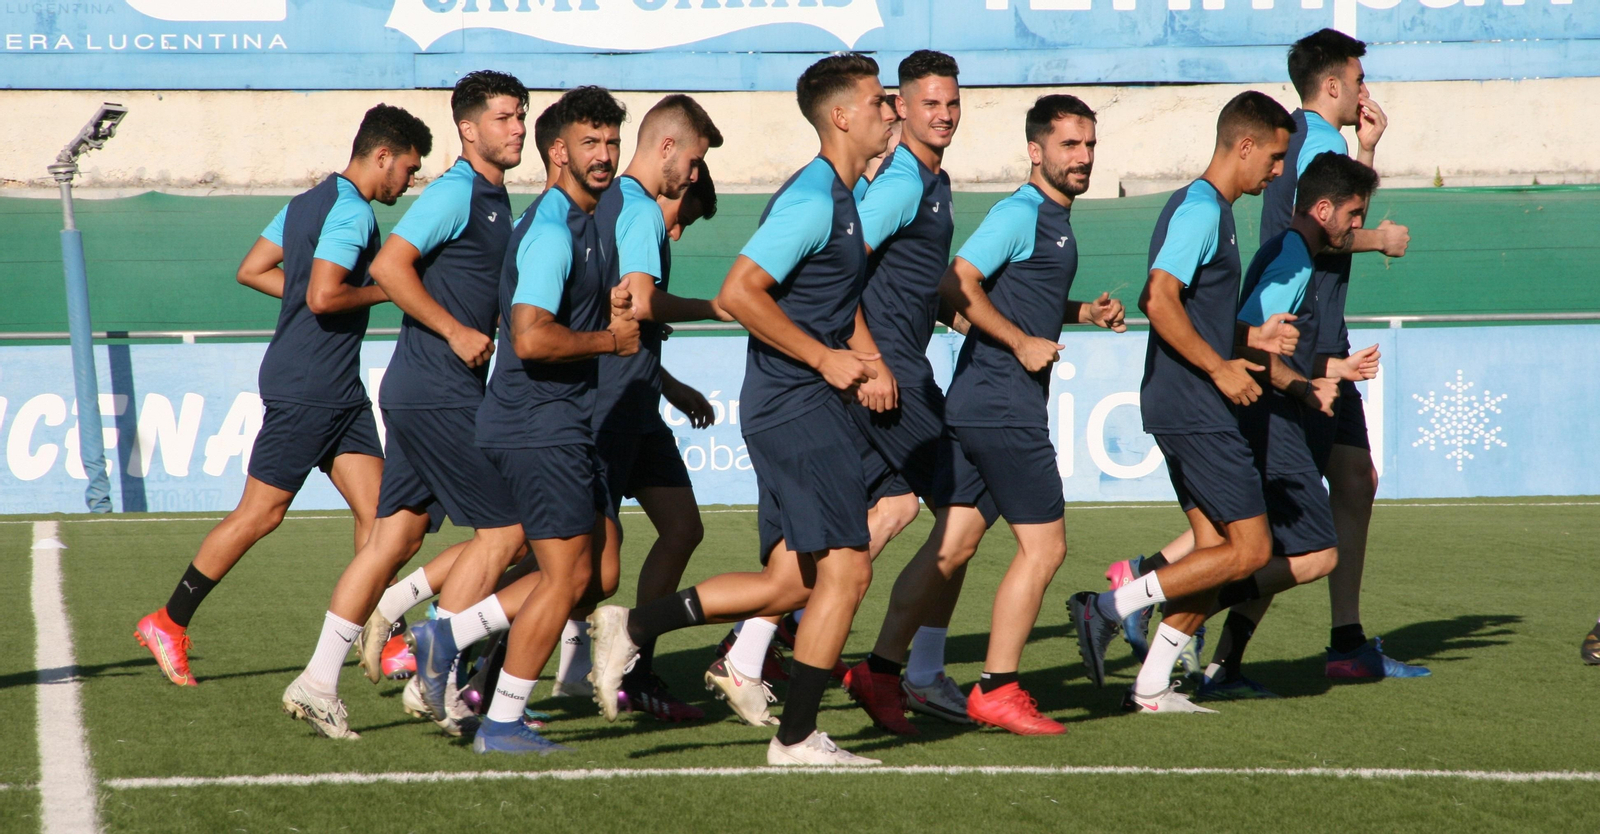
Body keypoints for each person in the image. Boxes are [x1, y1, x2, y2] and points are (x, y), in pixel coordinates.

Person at [586, 53, 897, 766]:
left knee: (793, 580)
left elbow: (825, 305)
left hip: (805, 402)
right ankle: (796, 738)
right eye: (881, 101)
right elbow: (740, 291)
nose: (894, 112)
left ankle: (633, 626)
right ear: (841, 115)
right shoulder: (815, 198)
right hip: (795, 404)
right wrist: (826, 360)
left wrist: (867, 360)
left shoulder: (842, 199)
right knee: (847, 571)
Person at [854, 93, 1127, 737]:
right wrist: (1021, 344)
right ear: (1036, 152)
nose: (1082, 157)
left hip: (984, 404)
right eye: (1068, 145)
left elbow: (1014, 296)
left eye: (1089, 145)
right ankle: (998, 687)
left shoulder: (1052, 218)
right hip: (1004, 406)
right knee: (1045, 547)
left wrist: (1081, 312)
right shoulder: (1022, 211)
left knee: (953, 544)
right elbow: (958, 282)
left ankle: (881, 670)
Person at [135, 103, 430, 690]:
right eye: (409, 169)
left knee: (381, 516)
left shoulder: (309, 203)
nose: (410, 182)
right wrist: (384, 290)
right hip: (310, 388)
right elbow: (323, 297)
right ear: (382, 156)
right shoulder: (351, 214)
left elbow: (253, 269)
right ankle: (168, 620)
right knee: (261, 513)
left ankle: (388, 634)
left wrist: (303, 296)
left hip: (334, 387)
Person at [280, 71, 531, 740]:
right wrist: (454, 329)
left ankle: (318, 680)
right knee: (510, 534)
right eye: (506, 117)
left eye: (522, 115)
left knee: (398, 536)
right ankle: (434, 673)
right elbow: (392, 266)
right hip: (438, 388)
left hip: (425, 389)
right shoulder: (455, 192)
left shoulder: (495, 200)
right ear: (469, 129)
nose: (519, 127)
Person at [409, 85, 638, 756]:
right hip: (538, 423)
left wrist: (608, 311)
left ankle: (446, 636)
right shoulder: (551, 229)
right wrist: (610, 341)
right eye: (589, 144)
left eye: (611, 143)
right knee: (567, 577)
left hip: (556, 421)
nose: (603, 156)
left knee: (591, 574)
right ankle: (503, 720)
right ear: (557, 151)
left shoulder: (587, 221)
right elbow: (532, 338)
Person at [1068, 91, 1296, 715]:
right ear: (1244, 145)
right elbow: (1158, 299)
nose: (1277, 172)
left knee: (1212, 554)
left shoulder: (1214, 210)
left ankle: (1151, 685)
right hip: (1192, 404)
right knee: (1252, 550)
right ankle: (1107, 607)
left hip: (1186, 402)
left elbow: (1194, 310)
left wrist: (1249, 338)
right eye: (1274, 158)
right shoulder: (1200, 208)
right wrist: (1221, 368)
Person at [1262, 28, 1426, 679]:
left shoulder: (1303, 143)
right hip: (1307, 344)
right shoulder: (1319, 143)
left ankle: (1348, 643)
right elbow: (1316, 235)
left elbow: (1324, 221)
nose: (1365, 91)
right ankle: (1137, 593)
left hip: (1321, 336)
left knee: (1355, 480)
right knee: (1274, 517)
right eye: (1358, 80)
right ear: (1332, 85)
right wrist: (1380, 239)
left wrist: (1367, 149)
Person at [1199, 150, 1382, 700]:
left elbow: (1272, 345)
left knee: (1267, 543)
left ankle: (1220, 666)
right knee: (1309, 552)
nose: (1358, 228)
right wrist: (1299, 387)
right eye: (1353, 215)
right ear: (1322, 209)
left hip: (1279, 410)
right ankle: (1151, 598)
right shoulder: (1293, 260)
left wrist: (1329, 371)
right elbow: (1241, 335)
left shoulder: (1296, 253)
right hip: (1268, 417)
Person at [576, 94, 729, 721]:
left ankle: (634, 662)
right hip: (608, 405)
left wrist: (666, 384)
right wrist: (721, 308)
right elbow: (639, 305)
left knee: (683, 528)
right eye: (693, 160)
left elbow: (621, 312)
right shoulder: (635, 208)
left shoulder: (616, 205)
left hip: (636, 399)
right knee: (584, 572)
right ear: (667, 146)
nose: (694, 174)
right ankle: (464, 638)